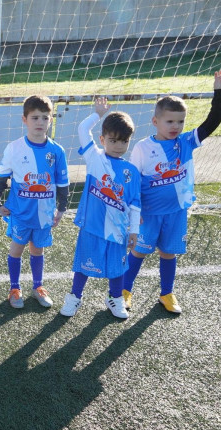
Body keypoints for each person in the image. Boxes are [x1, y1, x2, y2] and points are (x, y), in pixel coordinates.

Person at [122, 71, 221, 314]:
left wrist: (220, 92)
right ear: (155, 122)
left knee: (169, 253)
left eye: (180, 122)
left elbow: (213, 121)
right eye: (170, 121)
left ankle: (167, 293)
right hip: (149, 213)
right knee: (139, 251)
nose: (176, 126)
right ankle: (124, 291)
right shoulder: (143, 148)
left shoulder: (186, 142)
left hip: (177, 211)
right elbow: (132, 181)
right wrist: (133, 210)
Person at [59, 98, 141, 319]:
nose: (118, 146)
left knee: (117, 269)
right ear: (103, 139)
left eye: (123, 141)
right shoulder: (94, 158)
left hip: (118, 231)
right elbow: (82, 128)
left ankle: (115, 298)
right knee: (83, 266)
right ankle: (74, 297)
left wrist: (134, 231)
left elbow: (135, 205)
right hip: (92, 227)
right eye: (113, 140)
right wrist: (98, 114)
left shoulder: (131, 171)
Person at [0, 95, 69, 309]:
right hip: (20, 213)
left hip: (45, 214)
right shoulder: (14, 148)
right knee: (16, 249)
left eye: (45, 118)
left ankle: (38, 286)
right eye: (35, 117)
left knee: (37, 250)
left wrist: (61, 209)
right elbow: (1, 178)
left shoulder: (57, 151)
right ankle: (14, 288)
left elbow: (62, 184)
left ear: (51, 120)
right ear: (24, 119)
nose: (40, 122)